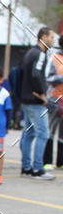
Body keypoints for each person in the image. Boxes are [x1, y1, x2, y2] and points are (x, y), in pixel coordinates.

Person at [19, 26, 56, 180]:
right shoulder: (40, 54)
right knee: (43, 133)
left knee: (28, 133)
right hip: (35, 100)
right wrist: (42, 94)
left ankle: (26, 167)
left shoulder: (30, 53)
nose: (53, 40)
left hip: (26, 99)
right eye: (51, 37)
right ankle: (37, 169)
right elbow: (36, 75)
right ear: (44, 37)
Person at [46, 33, 63, 163]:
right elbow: (48, 78)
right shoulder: (54, 58)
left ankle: (60, 162)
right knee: (50, 131)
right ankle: (47, 162)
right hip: (55, 100)